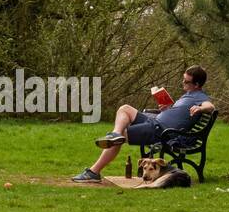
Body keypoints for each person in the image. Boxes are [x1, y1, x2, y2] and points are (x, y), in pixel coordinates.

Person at [72, 67, 215, 183]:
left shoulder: (200, 97)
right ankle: (115, 134)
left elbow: (210, 106)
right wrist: (167, 109)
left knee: (122, 135)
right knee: (125, 108)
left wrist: (201, 108)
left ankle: (94, 172)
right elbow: (179, 115)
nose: (182, 83)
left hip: (161, 131)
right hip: (155, 120)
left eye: (186, 82)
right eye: (183, 79)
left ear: (197, 85)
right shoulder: (188, 94)